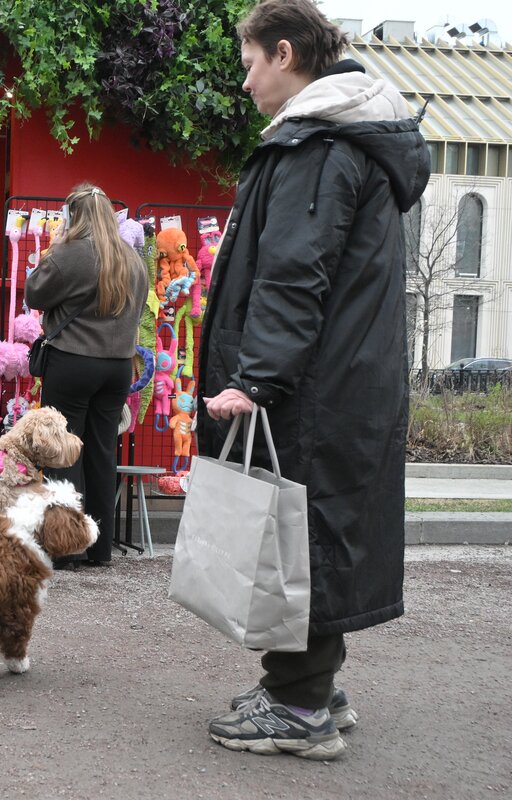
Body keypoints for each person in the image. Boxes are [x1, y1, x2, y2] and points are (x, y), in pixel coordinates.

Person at [196, 0, 429, 760]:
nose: (246, 83)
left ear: (286, 53)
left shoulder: (319, 144)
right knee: (315, 525)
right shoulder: (349, 139)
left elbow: (294, 274)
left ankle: (299, 707)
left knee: (298, 531)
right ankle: (313, 687)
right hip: (343, 378)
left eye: (250, 64)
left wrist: (256, 379)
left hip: (313, 387)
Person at [24, 183, 148, 569]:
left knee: (63, 452)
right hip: (118, 366)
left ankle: (66, 550)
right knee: (102, 452)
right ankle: (99, 548)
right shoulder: (133, 258)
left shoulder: (70, 253)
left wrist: (55, 247)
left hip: (73, 362)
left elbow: (34, 294)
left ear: (72, 216)